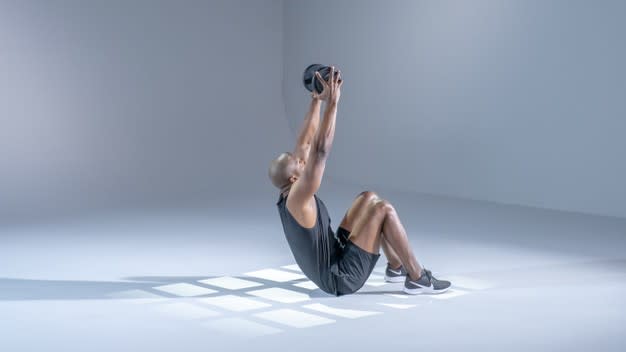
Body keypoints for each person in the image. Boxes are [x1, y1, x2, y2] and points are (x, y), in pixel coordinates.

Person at [268, 66, 451, 296]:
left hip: (337, 253)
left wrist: (316, 98)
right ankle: (417, 277)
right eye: (297, 160)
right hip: (340, 278)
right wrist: (333, 103)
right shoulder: (298, 198)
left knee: (368, 198)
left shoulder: (292, 187)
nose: (300, 156)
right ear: (294, 177)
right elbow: (320, 150)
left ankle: (395, 268)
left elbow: (306, 143)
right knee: (384, 210)